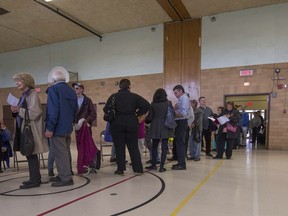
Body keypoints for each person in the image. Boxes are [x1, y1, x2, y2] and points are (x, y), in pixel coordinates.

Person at [103, 78, 150, 175]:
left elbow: (105, 109)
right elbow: (146, 105)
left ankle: (120, 169)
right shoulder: (134, 96)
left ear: (119, 86)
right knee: (133, 147)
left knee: (119, 147)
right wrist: (137, 114)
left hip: (117, 124)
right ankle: (138, 169)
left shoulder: (113, 97)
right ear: (129, 86)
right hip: (131, 123)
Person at [11, 73, 48, 189]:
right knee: (29, 155)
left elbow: (34, 113)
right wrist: (15, 110)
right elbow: (22, 112)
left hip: (30, 130)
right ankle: (34, 178)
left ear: (26, 81)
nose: (16, 83)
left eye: (19, 81)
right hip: (24, 129)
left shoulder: (33, 94)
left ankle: (35, 180)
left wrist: (19, 110)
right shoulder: (24, 95)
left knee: (31, 154)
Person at [45, 69, 77, 187]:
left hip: (57, 128)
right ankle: (62, 174)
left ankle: (66, 178)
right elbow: (75, 110)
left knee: (60, 153)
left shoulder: (53, 89)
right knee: (65, 152)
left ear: (53, 80)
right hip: (67, 127)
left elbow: (53, 111)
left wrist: (49, 128)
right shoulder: (72, 91)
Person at [146, 88, 174, 172]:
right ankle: (162, 167)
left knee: (155, 146)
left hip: (155, 126)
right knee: (164, 147)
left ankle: (154, 164)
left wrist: (145, 120)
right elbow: (172, 114)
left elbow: (150, 117)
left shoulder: (153, 104)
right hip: (166, 125)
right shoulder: (168, 103)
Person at [171, 85, 190, 170]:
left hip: (181, 122)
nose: (175, 95)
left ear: (181, 90)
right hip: (179, 122)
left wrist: (172, 112)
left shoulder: (184, 98)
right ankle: (180, 162)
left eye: (176, 93)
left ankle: (182, 164)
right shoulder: (181, 99)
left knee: (180, 143)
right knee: (178, 143)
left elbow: (184, 114)